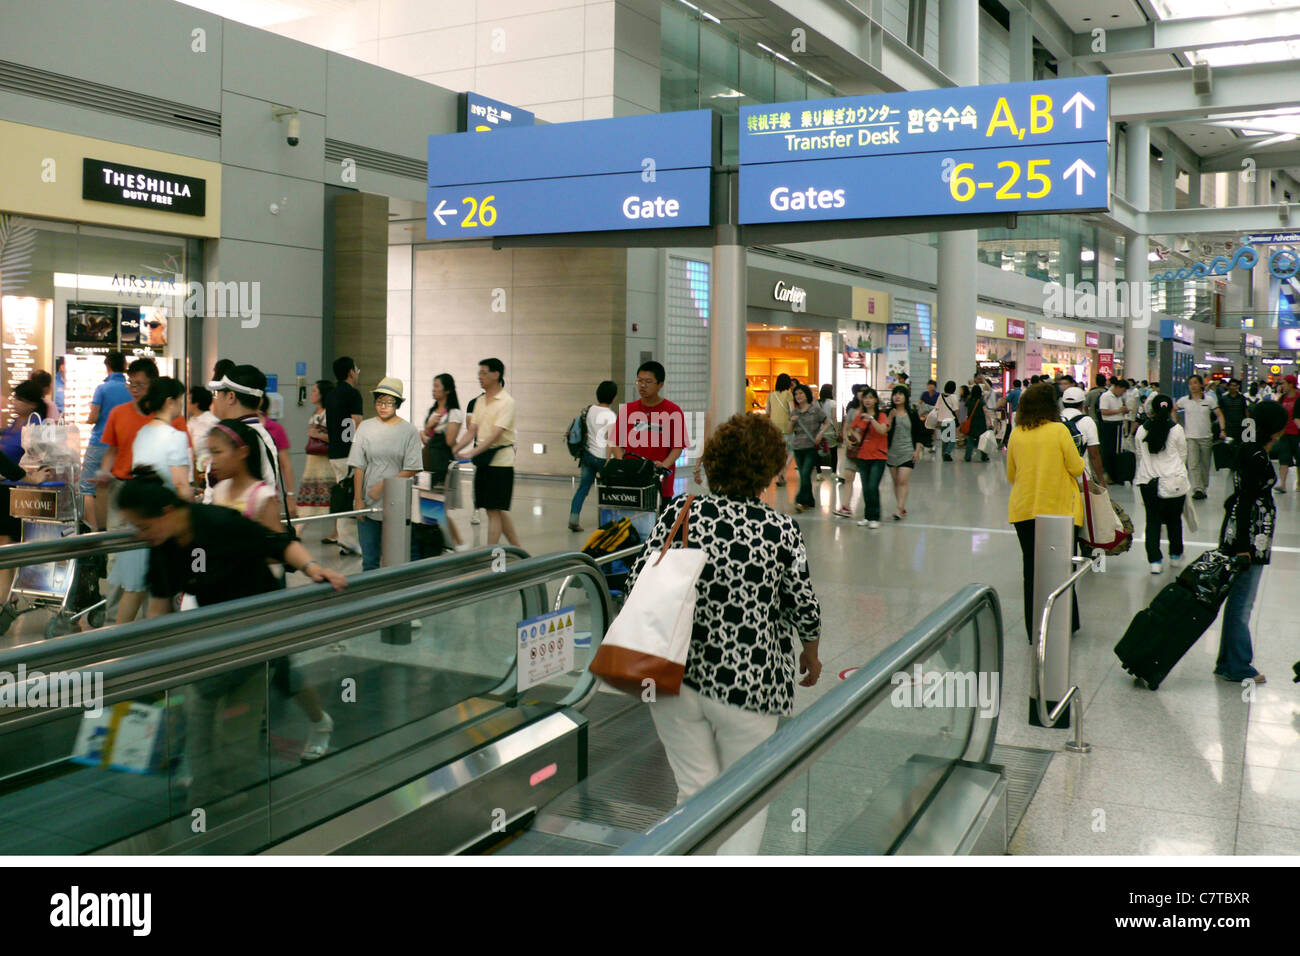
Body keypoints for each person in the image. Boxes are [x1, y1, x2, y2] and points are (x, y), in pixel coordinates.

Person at [627, 413, 821, 855]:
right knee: (744, 801)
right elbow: (802, 605)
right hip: (747, 684)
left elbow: (635, 580)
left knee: (693, 792)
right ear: (768, 470)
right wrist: (810, 652)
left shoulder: (682, 511)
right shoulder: (779, 529)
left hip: (672, 675)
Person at [117, 469, 345, 807]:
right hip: (219, 633)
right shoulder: (164, 545)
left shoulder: (219, 523)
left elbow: (277, 543)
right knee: (205, 701)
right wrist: (151, 661)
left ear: (166, 512)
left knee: (223, 706)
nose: (141, 535)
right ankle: (208, 786)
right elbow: (159, 606)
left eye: (144, 526)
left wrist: (314, 568)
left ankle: (215, 789)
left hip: (258, 627)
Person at [208, 418, 335, 759]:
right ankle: (232, 741)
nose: (212, 460)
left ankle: (320, 720)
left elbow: (276, 548)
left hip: (259, 594)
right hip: (225, 597)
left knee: (280, 671)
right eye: (209, 453)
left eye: (218, 452)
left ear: (242, 453)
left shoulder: (262, 496)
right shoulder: (218, 492)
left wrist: (311, 567)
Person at [1215, 399, 1289, 685]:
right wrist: (1244, 545)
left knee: (1238, 600)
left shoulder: (1251, 450)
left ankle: (1227, 661)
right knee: (1243, 603)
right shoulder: (1255, 456)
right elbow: (1245, 500)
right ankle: (1238, 665)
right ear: (1275, 428)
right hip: (1249, 539)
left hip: (1246, 534)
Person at [1006, 383, 1085, 641]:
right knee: (1062, 569)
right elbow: (1075, 468)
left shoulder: (1017, 433)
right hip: (1059, 510)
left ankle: (1034, 629)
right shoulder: (1059, 430)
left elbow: (1011, 474)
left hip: (1025, 510)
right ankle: (1065, 624)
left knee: (1032, 570)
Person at [113, 377, 192, 625]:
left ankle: (116, 646)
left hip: (140, 516)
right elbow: (181, 485)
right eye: (180, 401)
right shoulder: (175, 437)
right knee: (162, 591)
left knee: (134, 590)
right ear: (170, 402)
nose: (181, 406)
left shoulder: (142, 433)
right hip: (165, 520)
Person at [348, 378, 424, 570]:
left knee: (396, 557)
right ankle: (372, 597)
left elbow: (413, 466)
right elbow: (359, 465)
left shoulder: (409, 431)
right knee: (370, 559)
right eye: (379, 401)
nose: (383, 406)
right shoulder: (365, 427)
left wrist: (384, 485)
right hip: (368, 501)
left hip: (396, 502)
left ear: (397, 404)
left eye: (389, 402)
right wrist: (358, 499)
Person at [453, 358, 521, 547]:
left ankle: (491, 556)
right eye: (479, 373)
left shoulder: (507, 402)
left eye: (483, 372)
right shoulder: (480, 401)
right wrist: (455, 449)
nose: (479, 376)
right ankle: (518, 549)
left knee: (493, 511)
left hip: (501, 463)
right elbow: (472, 431)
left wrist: (471, 453)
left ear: (496, 374)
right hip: (484, 462)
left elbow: (495, 436)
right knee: (496, 510)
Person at [609, 360, 687, 508]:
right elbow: (616, 443)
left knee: (658, 527)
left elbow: (678, 447)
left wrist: (663, 466)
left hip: (660, 485)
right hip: (630, 483)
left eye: (648, 381)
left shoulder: (673, 411)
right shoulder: (627, 410)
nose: (642, 385)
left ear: (660, 384)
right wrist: (625, 465)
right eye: (639, 381)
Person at [1134, 395, 1189, 574]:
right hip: (1174, 481)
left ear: (1152, 409)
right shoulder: (1177, 430)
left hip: (1148, 481)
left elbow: (1140, 455)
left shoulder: (1142, 430)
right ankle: (1175, 555)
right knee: (1174, 520)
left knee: (1152, 521)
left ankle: (1155, 562)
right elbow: (1183, 455)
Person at [81, 351, 132, 526]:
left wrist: (86, 419)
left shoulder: (102, 389)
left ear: (107, 366)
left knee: (88, 489)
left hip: (99, 442)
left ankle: (95, 534)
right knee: (116, 486)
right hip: (122, 446)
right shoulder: (130, 389)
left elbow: (94, 417)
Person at [323, 356, 364, 554]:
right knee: (350, 494)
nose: (357, 373)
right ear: (350, 372)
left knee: (342, 493)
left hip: (334, 452)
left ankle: (345, 540)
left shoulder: (331, 395)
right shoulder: (353, 395)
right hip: (349, 452)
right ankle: (349, 541)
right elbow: (356, 422)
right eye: (356, 369)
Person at [423, 373, 468, 548]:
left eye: (437, 387)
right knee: (427, 503)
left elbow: (450, 441)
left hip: (441, 463)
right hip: (428, 460)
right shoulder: (432, 410)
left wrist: (434, 427)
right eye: (433, 386)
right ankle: (436, 541)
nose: (433, 390)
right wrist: (428, 427)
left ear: (447, 390)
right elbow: (426, 435)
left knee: (437, 505)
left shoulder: (454, 413)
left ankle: (456, 542)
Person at [567, 380, 618, 532]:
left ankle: (573, 519)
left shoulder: (589, 410)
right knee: (609, 491)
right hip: (603, 458)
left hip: (588, 455)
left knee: (583, 488)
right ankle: (607, 522)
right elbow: (610, 440)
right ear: (613, 397)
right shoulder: (610, 415)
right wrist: (609, 460)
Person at [1175, 374, 1225, 501]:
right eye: (1190, 383)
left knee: (1205, 464)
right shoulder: (1184, 400)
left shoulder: (1209, 400)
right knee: (1193, 464)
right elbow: (1173, 409)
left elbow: (1219, 414)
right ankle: (1197, 488)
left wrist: (1222, 430)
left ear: (1201, 385)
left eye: (1195, 383)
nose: (1193, 386)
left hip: (1206, 437)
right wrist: (1176, 426)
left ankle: (1203, 486)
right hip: (1190, 437)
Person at [845, 387, 889, 529]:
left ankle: (875, 517)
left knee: (872, 486)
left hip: (878, 456)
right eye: (865, 398)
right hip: (863, 455)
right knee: (865, 487)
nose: (868, 400)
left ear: (875, 400)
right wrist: (855, 438)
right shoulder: (859, 416)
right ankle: (867, 516)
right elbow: (850, 428)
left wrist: (871, 419)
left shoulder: (881, 415)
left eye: (870, 397)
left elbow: (882, 430)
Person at [788, 384, 829, 514]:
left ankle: (800, 500)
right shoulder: (795, 412)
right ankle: (810, 501)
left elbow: (827, 422)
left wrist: (820, 434)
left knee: (805, 473)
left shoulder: (815, 410)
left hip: (811, 447)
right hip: (798, 447)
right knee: (804, 475)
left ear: (806, 395)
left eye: (801, 393)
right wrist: (792, 422)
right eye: (796, 394)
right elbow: (789, 431)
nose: (798, 396)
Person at [885, 385, 924, 521]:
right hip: (891, 452)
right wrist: (889, 418)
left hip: (907, 451)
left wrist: (917, 450)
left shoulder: (912, 413)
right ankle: (900, 506)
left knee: (902, 480)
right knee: (896, 481)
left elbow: (919, 434)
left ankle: (899, 508)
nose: (897, 396)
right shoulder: (888, 412)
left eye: (900, 394)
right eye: (895, 394)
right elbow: (884, 431)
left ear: (906, 397)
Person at [297, 379, 335, 519]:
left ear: (322, 394)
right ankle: (300, 527)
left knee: (330, 495)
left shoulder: (329, 412)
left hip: (325, 460)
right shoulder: (316, 412)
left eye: (314, 391)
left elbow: (336, 437)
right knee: (309, 492)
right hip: (313, 459)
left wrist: (317, 434)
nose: (311, 394)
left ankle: (336, 532)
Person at [258, 392, 297, 518]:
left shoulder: (275, 429)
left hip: (269, 494)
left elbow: (286, 465)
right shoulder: (239, 426)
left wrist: (290, 495)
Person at [1060, 388, 1105, 487]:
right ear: (1082, 404)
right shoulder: (1087, 421)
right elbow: (1094, 454)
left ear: (1063, 403)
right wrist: (1101, 479)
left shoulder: (1056, 419)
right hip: (1082, 476)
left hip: (1059, 476)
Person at [187, 385, 219, 492]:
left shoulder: (212, 422)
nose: (186, 402)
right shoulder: (190, 421)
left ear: (196, 403)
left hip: (206, 475)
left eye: (189, 399)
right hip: (190, 474)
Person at [1272, 374, 1299, 493]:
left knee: (1299, 458)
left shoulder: (1299, 398)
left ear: (1291, 384)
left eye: (1284, 383)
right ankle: (1282, 483)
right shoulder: (1282, 399)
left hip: (1297, 432)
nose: (1282, 386)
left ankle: (1299, 483)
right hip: (1284, 432)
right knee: (1283, 457)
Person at [1097, 377, 1129, 482]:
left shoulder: (1119, 398)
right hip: (1109, 426)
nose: (1123, 393)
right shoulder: (1106, 396)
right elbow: (1104, 412)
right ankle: (1108, 474)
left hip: (1119, 425)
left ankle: (1116, 474)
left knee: (1117, 451)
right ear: (1118, 387)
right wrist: (1119, 410)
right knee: (1108, 451)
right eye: (1123, 391)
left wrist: (1123, 411)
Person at [766, 373, 794, 487]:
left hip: (774, 427)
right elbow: (792, 411)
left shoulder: (771, 395)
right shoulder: (789, 394)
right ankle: (782, 473)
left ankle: (779, 475)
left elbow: (767, 412)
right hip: (786, 426)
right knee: (791, 450)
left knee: (778, 452)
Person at [930, 380, 960, 461]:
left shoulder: (940, 396)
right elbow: (956, 410)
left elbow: (936, 408)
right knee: (952, 439)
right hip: (951, 420)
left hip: (942, 420)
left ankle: (944, 455)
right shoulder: (954, 397)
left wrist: (936, 419)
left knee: (945, 439)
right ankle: (947, 452)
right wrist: (958, 419)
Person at [816, 384, 839, 480]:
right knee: (833, 452)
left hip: (819, 431)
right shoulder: (832, 403)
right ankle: (833, 472)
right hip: (830, 430)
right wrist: (837, 430)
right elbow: (833, 418)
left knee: (817, 452)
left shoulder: (816, 403)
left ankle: (819, 473)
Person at [964, 380, 990, 462]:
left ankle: (968, 456)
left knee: (970, 441)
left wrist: (966, 420)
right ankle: (984, 456)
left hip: (971, 422)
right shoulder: (981, 401)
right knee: (982, 441)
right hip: (981, 423)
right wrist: (989, 421)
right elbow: (986, 411)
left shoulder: (969, 401)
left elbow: (966, 411)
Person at [1220, 378, 1249, 444]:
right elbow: (1220, 413)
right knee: (1228, 447)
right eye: (1231, 385)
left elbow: (1246, 411)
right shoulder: (1223, 399)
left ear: (1237, 387)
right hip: (1228, 427)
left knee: (1239, 446)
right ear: (1228, 386)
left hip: (1240, 427)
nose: (1232, 387)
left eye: (1234, 385)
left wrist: (1248, 424)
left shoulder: (1242, 398)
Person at [1001, 379, 1023, 449]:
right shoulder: (1023, 392)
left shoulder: (1013, 393)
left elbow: (1006, 401)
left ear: (1013, 385)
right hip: (1022, 413)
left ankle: (1014, 443)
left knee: (1014, 428)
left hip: (1015, 412)